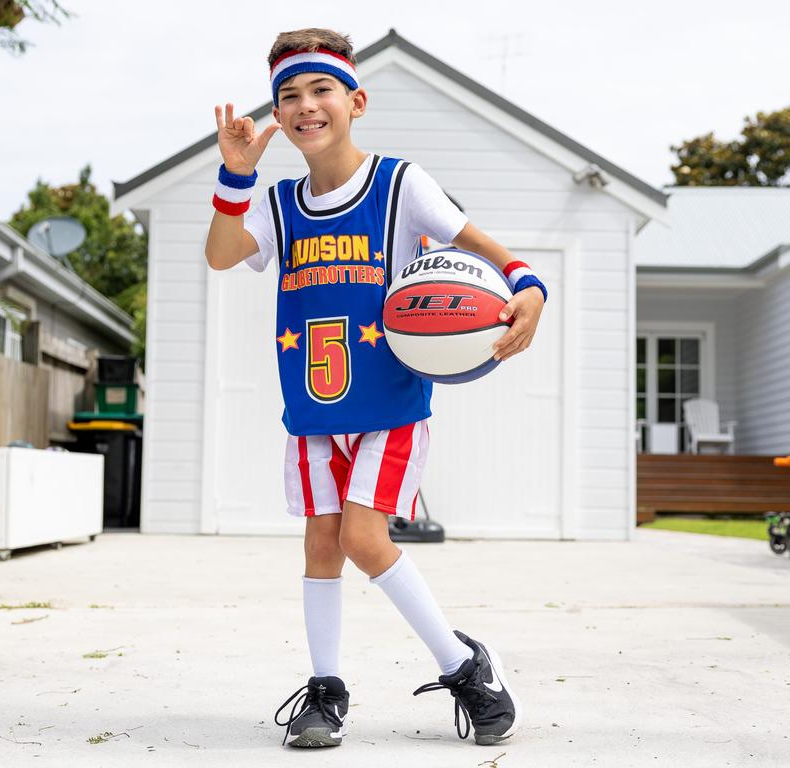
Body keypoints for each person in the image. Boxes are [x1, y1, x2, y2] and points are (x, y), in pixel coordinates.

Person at [204, 27, 547, 749]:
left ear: (355, 100)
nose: (305, 105)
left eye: (321, 88)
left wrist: (528, 286)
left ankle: (464, 664)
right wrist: (234, 176)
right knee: (321, 546)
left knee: (363, 537)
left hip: (389, 401)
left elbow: (480, 246)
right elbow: (222, 253)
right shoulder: (278, 202)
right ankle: (326, 690)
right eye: (288, 95)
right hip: (313, 408)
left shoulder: (399, 183)